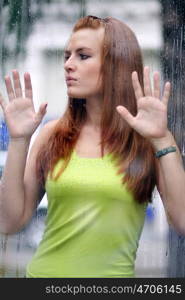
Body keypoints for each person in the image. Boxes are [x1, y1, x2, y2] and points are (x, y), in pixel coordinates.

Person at [0, 15, 185, 278]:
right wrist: (19, 141)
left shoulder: (148, 140)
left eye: (82, 56)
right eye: (67, 56)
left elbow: (182, 220)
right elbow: (8, 221)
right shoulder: (53, 134)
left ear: (114, 66)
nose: (68, 65)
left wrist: (163, 138)